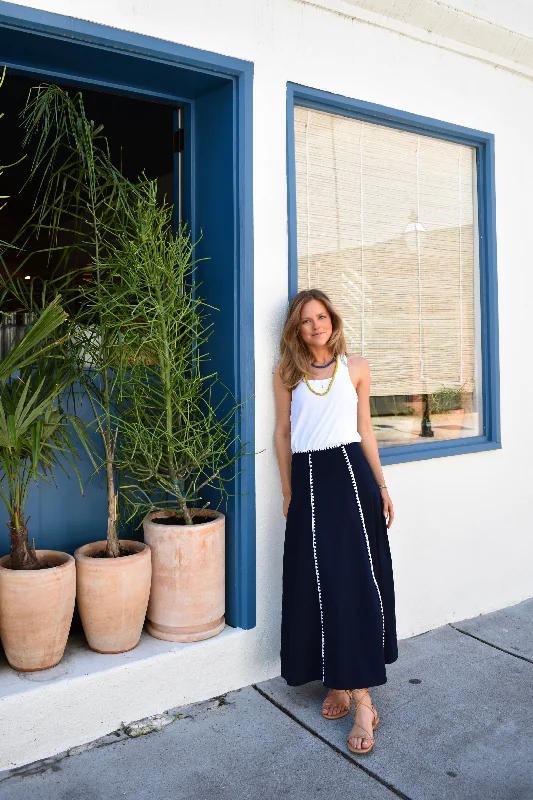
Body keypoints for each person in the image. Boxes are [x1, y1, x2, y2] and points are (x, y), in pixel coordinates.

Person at [273, 288, 398, 755]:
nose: (316, 326)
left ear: (333, 320)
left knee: (353, 585)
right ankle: (337, 682)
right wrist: (287, 489)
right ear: (296, 329)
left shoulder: (357, 367)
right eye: (306, 320)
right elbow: (283, 432)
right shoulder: (287, 373)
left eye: (321, 317)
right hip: (307, 481)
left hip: (350, 479)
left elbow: (365, 429)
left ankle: (362, 698)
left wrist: (382, 487)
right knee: (316, 585)